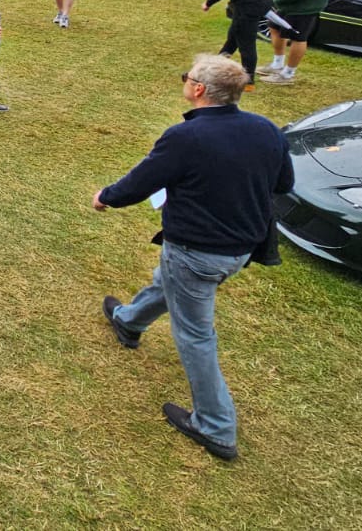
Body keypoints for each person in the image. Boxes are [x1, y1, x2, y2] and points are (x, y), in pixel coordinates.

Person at [95, 53, 292, 462]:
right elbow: (284, 182)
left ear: (199, 89)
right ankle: (128, 321)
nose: (185, 82)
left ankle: (216, 426)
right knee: (169, 281)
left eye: (187, 78)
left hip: (198, 252)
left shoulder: (186, 137)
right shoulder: (266, 131)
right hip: (239, 251)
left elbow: (141, 181)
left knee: (196, 333)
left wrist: (106, 198)